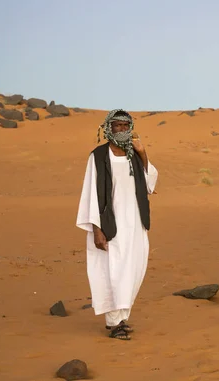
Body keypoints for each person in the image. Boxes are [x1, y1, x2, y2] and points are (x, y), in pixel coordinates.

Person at [76, 109, 158, 340]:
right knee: (111, 272)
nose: (121, 129)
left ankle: (121, 317)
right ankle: (113, 323)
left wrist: (143, 153)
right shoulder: (98, 156)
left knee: (132, 270)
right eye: (117, 125)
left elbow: (150, 183)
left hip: (135, 223)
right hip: (109, 225)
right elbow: (90, 193)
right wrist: (96, 229)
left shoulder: (134, 153)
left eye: (125, 125)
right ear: (108, 128)